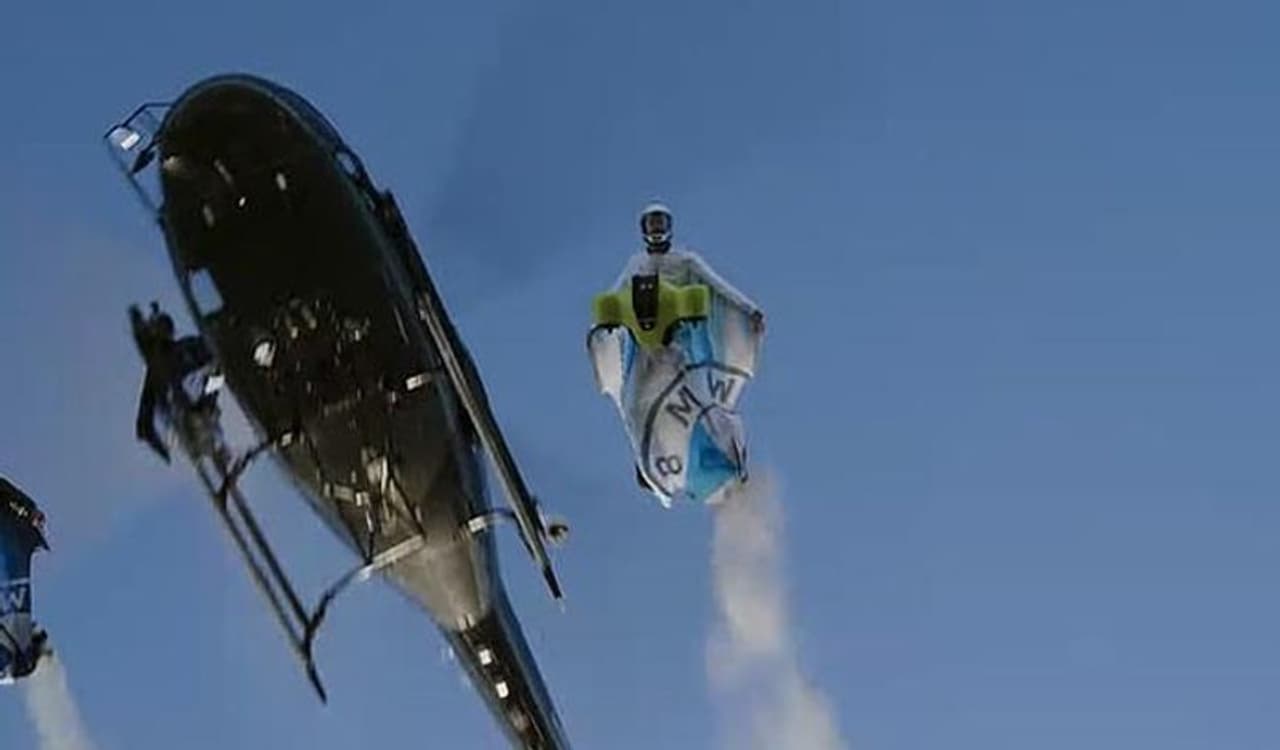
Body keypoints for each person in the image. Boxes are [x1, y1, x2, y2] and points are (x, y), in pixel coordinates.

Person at [611, 202, 765, 334]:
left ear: (668, 226)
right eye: (652, 224)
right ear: (644, 229)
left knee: (696, 346)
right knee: (628, 341)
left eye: (660, 223)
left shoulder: (685, 259)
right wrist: (600, 322)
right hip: (643, 325)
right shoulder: (636, 262)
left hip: (678, 324)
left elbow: (718, 284)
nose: (656, 228)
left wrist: (750, 309)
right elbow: (616, 292)